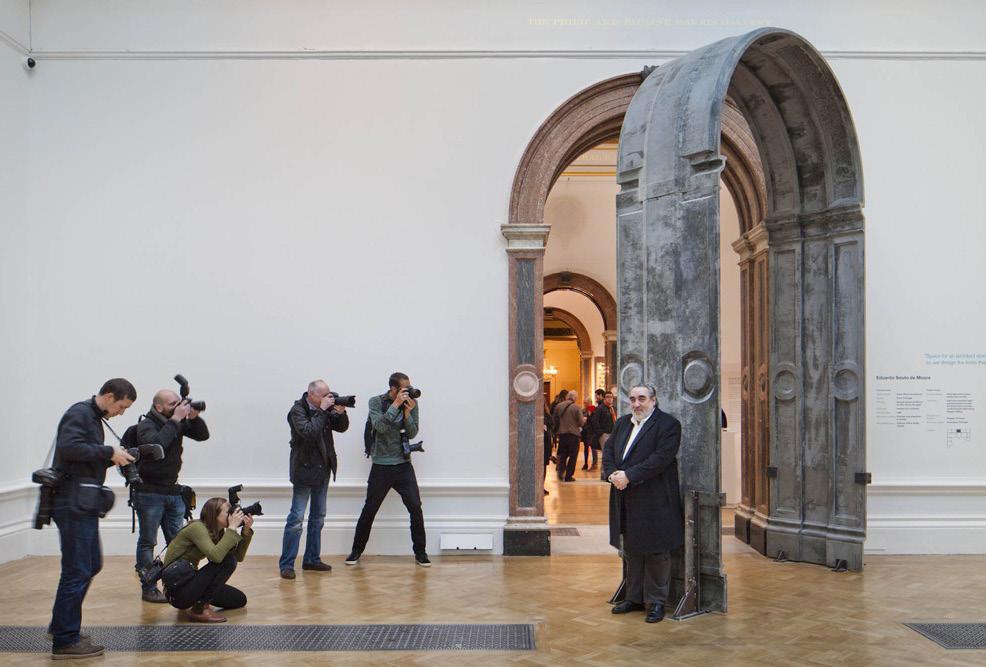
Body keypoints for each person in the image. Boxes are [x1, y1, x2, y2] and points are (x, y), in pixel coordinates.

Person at [48, 379, 137, 660]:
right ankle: (65, 640)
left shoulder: (92, 417)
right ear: (109, 396)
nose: (121, 413)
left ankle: (61, 626)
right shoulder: (80, 413)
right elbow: (69, 448)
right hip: (71, 503)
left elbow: (81, 457)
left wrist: (113, 458)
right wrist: (108, 452)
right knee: (77, 570)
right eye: (121, 406)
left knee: (91, 564)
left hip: (81, 502)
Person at [603, 383, 683, 624]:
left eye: (642, 399)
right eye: (632, 399)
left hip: (655, 498)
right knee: (632, 549)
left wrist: (629, 476)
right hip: (625, 496)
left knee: (657, 551)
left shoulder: (668, 425)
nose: (636, 404)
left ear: (653, 400)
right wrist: (612, 474)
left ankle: (656, 601)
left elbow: (660, 459)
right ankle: (634, 597)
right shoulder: (622, 423)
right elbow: (608, 451)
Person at [134, 388, 210, 602]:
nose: (178, 407)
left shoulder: (175, 422)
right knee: (148, 542)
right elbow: (157, 446)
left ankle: (179, 584)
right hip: (149, 493)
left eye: (179, 403)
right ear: (159, 407)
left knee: (178, 541)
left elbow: (202, 435)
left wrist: (193, 418)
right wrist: (176, 419)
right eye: (172, 404)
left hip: (173, 491)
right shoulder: (146, 425)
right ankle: (149, 587)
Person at [347, 372, 429, 567]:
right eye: (405, 389)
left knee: (415, 507)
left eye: (410, 387)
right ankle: (356, 551)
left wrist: (407, 413)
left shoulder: (411, 403)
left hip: (403, 465)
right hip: (381, 466)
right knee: (370, 509)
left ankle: (420, 552)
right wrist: (395, 406)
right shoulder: (376, 402)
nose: (409, 391)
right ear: (393, 389)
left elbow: (412, 432)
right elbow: (380, 427)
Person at [279, 379, 349, 579]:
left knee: (318, 517)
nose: (328, 398)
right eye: (323, 395)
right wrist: (323, 410)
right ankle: (287, 564)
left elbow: (341, 428)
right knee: (296, 518)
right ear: (311, 394)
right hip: (304, 469)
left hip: (323, 469)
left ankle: (311, 559)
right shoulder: (297, 411)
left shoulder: (324, 408)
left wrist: (341, 413)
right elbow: (309, 432)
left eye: (329, 393)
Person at [162, 497, 253, 623]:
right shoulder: (197, 528)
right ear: (214, 515)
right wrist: (232, 528)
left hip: (190, 580)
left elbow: (238, 557)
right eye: (228, 512)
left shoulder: (217, 532)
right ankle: (199, 609)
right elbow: (217, 557)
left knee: (239, 599)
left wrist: (246, 530)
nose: (232, 515)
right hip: (178, 592)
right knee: (228, 561)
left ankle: (200, 602)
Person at [553, 390, 585, 482]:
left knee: (562, 455)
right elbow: (581, 422)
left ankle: (561, 472)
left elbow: (554, 419)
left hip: (562, 435)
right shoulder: (576, 407)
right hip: (573, 435)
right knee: (573, 456)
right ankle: (568, 476)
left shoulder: (559, 406)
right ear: (575, 398)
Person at [590, 391, 617, 476]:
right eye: (608, 397)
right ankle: (604, 473)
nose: (610, 399)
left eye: (611, 397)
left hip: (612, 434)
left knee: (609, 454)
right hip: (604, 434)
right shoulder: (600, 408)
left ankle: (607, 471)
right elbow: (594, 421)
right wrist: (600, 432)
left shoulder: (612, 408)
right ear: (604, 398)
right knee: (606, 453)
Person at [580, 398, 597, 471]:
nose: (585, 404)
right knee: (586, 447)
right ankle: (585, 463)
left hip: (592, 431)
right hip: (585, 431)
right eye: (584, 403)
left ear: (590, 403)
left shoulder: (594, 409)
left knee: (593, 448)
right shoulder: (583, 410)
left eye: (586, 403)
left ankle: (594, 463)